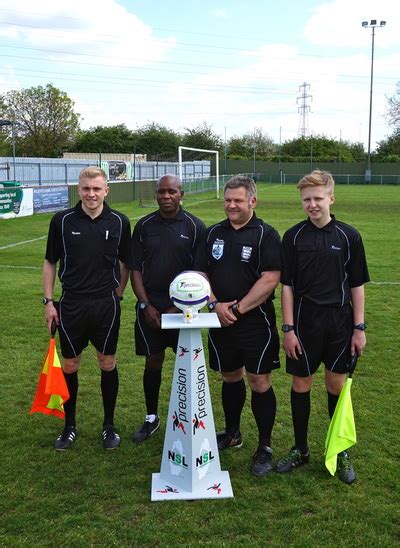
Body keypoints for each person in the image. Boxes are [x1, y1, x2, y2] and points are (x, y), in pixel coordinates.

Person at [275, 170, 369, 484]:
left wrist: (359, 327)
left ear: (331, 198)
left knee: (336, 386)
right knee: (301, 384)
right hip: (303, 322)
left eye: (318, 198)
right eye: (306, 200)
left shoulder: (348, 235)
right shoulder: (293, 236)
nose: (312, 205)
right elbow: (286, 286)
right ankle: (300, 449)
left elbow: (356, 285)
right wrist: (288, 329)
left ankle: (340, 450)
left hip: (340, 323)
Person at [194, 175, 281, 477]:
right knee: (230, 377)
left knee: (259, 381)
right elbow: (201, 271)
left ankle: (265, 446)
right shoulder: (213, 233)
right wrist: (214, 304)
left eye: (238, 200)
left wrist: (237, 308)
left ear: (252, 201)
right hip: (219, 318)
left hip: (254, 321)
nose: (231, 205)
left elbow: (270, 279)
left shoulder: (266, 235)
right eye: (227, 200)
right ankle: (232, 433)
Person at [43, 167, 131, 451]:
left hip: (106, 304)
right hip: (71, 303)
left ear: (107, 190)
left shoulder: (120, 221)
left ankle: (109, 426)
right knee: (70, 364)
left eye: (96, 188)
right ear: (78, 189)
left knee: (107, 362)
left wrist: (118, 294)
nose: (91, 194)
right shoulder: (62, 220)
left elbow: (125, 262)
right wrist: (48, 302)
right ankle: (69, 426)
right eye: (85, 188)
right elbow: (50, 262)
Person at [130, 174, 206, 442]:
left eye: (171, 191)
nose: (166, 196)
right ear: (156, 195)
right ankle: (151, 416)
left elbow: (200, 273)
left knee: (188, 361)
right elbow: (135, 268)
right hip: (150, 307)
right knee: (153, 360)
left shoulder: (196, 227)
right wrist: (145, 304)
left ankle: (191, 417)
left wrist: (178, 308)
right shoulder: (143, 226)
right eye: (161, 192)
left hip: (184, 310)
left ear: (181, 194)